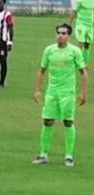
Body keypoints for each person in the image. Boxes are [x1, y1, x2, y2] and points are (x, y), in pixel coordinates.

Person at [32, 23, 88, 167]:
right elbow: (42, 70)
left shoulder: (75, 51)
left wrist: (83, 93)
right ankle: (43, 154)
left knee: (68, 122)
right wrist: (37, 90)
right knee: (47, 121)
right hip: (52, 92)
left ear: (69, 36)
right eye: (58, 33)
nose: (60, 36)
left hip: (68, 92)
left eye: (64, 33)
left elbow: (83, 72)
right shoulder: (49, 50)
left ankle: (69, 155)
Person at [70, 0, 94, 67]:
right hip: (81, 24)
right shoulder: (80, 0)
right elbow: (74, 12)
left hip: (89, 25)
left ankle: (85, 64)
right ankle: (76, 62)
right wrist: (70, 23)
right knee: (80, 43)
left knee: (87, 45)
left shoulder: (93, 1)